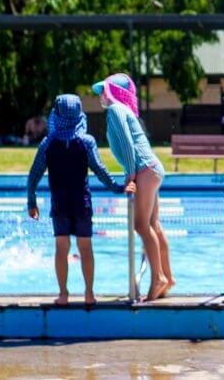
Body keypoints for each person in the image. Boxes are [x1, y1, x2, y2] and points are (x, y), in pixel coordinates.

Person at [26, 94, 130, 306]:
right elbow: (101, 171)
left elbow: (33, 175)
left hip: (59, 205)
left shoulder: (48, 144)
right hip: (82, 204)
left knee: (61, 248)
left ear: (56, 114)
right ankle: (89, 294)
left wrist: (32, 202)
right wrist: (118, 188)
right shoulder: (86, 141)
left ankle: (63, 294)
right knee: (85, 248)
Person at [92, 73, 174, 302]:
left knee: (140, 225)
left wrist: (129, 175)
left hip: (143, 169)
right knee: (153, 224)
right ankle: (168, 276)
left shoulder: (115, 110)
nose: (100, 96)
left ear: (114, 92)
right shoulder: (124, 111)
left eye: (104, 90)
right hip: (152, 168)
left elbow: (128, 144)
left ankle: (158, 278)